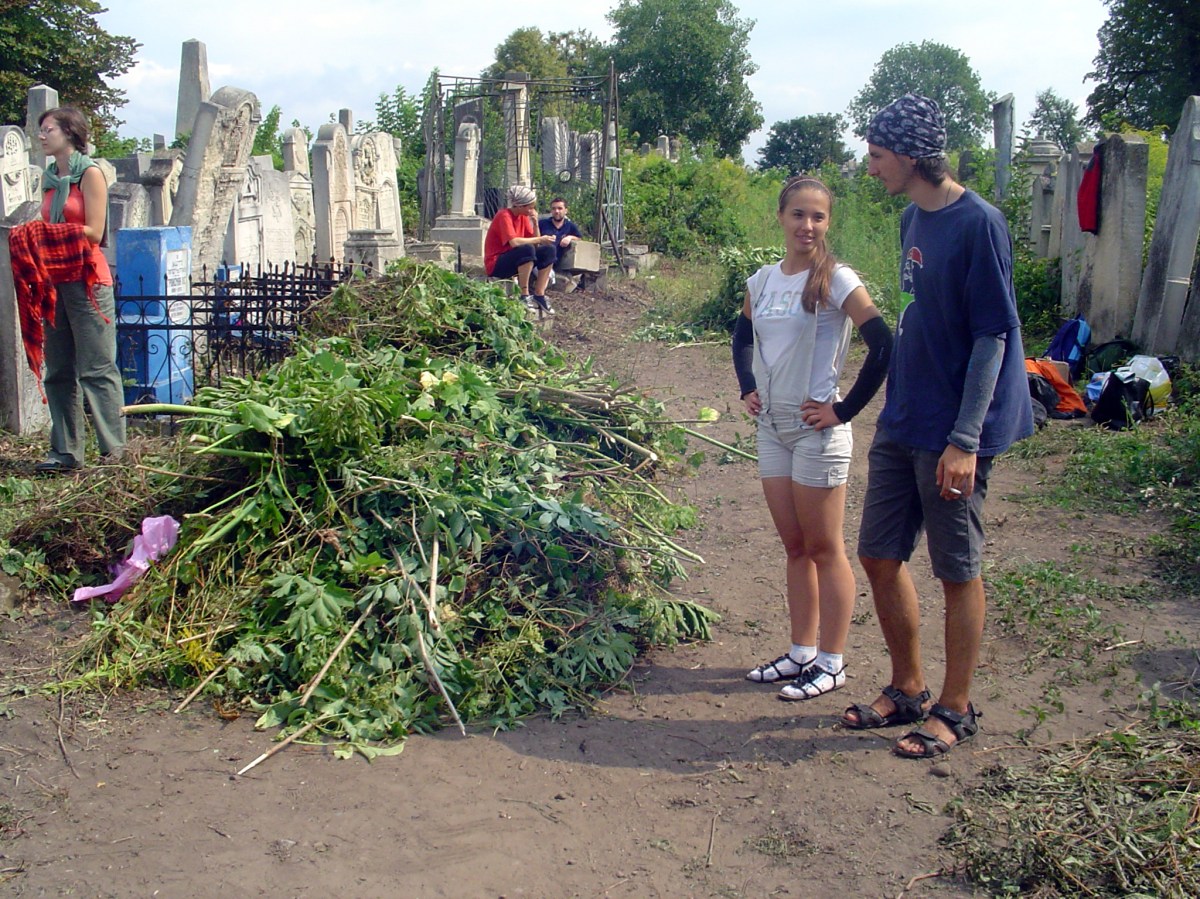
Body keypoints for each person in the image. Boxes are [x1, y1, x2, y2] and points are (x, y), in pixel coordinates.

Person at [840, 94, 1034, 757]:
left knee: (957, 568)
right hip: (905, 413)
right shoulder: (909, 221)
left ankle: (956, 706)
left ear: (910, 155)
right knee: (877, 552)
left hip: (954, 427)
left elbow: (992, 337)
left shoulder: (979, 224)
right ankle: (909, 687)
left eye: (876, 156)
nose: (871, 168)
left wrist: (965, 440)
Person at [733, 176, 893, 701]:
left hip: (815, 431)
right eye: (798, 214)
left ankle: (832, 661)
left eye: (818, 217)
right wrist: (747, 388)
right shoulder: (761, 281)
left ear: (828, 223)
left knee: (826, 548)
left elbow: (882, 343)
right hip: (771, 428)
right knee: (795, 546)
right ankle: (801, 651)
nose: (807, 226)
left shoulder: (836, 279)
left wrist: (842, 409)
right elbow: (742, 335)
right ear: (781, 217)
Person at [34, 106, 126, 473]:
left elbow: (95, 230)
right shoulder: (49, 177)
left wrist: (44, 234)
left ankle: (115, 453)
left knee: (97, 368)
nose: (41, 135)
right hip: (53, 279)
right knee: (58, 370)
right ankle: (66, 452)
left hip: (87, 279)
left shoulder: (89, 174)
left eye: (48, 129)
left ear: (70, 133)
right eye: (40, 130)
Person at [484, 185, 557, 314]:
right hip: (497, 263)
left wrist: (535, 224)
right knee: (526, 249)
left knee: (549, 250)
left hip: (515, 257)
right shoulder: (504, 215)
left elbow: (535, 243)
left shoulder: (523, 217)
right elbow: (514, 242)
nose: (532, 210)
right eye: (530, 207)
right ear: (519, 206)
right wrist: (540, 239)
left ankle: (539, 294)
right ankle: (524, 294)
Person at [538, 197, 582, 269]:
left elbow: (579, 238)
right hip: (542, 262)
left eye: (560, 208)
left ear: (566, 210)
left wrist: (569, 237)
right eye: (554, 208)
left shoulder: (570, 225)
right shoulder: (542, 224)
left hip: (560, 265)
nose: (556, 211)